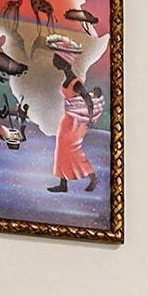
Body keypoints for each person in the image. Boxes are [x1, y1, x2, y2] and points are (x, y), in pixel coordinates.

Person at [47, 54, 102, 193]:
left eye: (57, 59)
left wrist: (90, 120)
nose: (54, 62)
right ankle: (63, 184)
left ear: (65, 62)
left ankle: (93, 178)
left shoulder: (75, 82)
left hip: (76, 123)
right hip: (67, 119)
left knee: (74, 150)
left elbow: (88, 100)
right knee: (61, 150)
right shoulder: (68, 79)